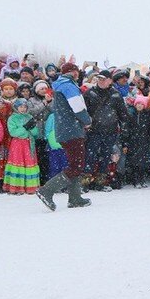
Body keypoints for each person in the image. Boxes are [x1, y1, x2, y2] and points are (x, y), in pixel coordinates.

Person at [37, 62, 92, 211]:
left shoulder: (60, 85)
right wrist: (87, 120)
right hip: (72, 130)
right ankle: (46, 190)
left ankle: (75, 198)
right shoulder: (68, 85)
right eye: (76, 71)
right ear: (73, 72)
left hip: (64, 129)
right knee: (76, 165)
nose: (78, 74)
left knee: (74, 163)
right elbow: (78, 107)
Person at [83, 70, 128, 191]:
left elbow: (123, 114)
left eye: (104, 79)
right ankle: (85, 183)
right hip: (93, 131)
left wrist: (123, 128)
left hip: (110, 131)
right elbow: (83, 112)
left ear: (110, 80)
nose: (101, 81)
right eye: (99, 78)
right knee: (90, 156)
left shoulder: (116, 94)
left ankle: (101, 183)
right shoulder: (89, 93)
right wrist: (86, 124)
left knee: (106, 156)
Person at [4, 99, 40, 194]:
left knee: (29, 162)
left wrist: (32, 129)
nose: (23, 109)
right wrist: (25, 128)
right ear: (16, 107)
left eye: (25, 107)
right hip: (18, 145)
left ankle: (30, 186)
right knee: (18, 163)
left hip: (29, 144)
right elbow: (13, 132)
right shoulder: (12, 118)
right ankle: (17, 186)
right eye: (20, 107)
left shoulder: (30, 117)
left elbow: (36, 133)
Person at [124, 93, 150, 187]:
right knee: (134, 162)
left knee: (143, 162)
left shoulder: (147, 116)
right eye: (138, 104)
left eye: (141, 104)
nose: (139, 106)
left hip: (144, 141)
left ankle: (142, 179)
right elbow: (126, 130)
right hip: (133, 141)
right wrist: (125, 142)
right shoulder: (131, 115)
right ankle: (136, 180)